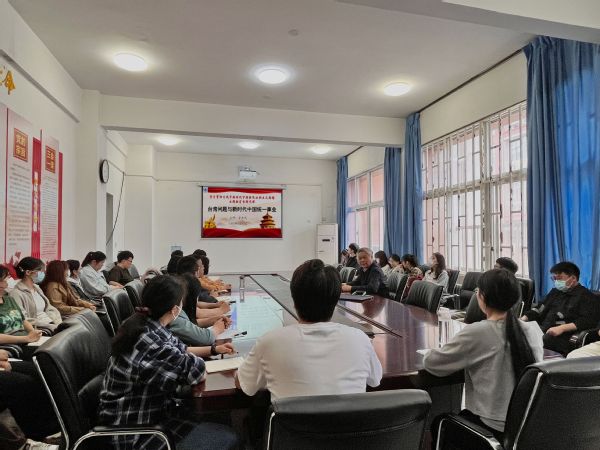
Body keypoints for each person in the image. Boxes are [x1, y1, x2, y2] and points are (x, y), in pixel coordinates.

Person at [98, 275, 238, 450]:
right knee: (228, 435)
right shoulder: (150, 341)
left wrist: (213, 350)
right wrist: (192, 359)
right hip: (137, 435)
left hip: (146, 417)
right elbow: (196, 372)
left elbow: (181, 349)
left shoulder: (143, 324)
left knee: (219, 419)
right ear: (174, 309)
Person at [235, 259, 382, 400]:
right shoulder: (360, 339)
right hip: (350, 419)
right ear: (336, 300)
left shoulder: (269, 342)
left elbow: (243, 384)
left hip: (289, 419)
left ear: (293, 299)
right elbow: (375, 380)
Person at [424, 269, 543, 442]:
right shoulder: (533, 330)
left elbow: (433, 364)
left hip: (492, 428)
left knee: (439, 423)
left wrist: (428, 352)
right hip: (527, 424)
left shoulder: (478, 332)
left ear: (482, 297)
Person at [521, 261, 600, 355]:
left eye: (560, 278)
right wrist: (522, 319)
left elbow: (587, 321)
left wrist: (562, 328)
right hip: (544, 328)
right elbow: (539, 309)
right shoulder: (555, 292)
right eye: (555, 278)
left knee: (543, 339)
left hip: (564, 334)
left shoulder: (586, 296)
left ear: (573, 278)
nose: (557, 281)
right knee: (519, 332)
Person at [175, 256, 231, 327]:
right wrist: (220, 310)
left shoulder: (181, 283)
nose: (203, 268)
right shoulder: (187, 285)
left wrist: (216, 309)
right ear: (196, 271)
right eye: (201, 266)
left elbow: (195, 308)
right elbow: (196, 313)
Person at [10, 258, 62, 332]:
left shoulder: (37, 288)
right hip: (39, 328)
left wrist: (57, 322)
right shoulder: (16, 293)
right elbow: (23, 319)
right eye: (40, 271)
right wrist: (49, 326)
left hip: (51, 324)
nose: (43, 274)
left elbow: (49, 308)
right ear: (28, 272)